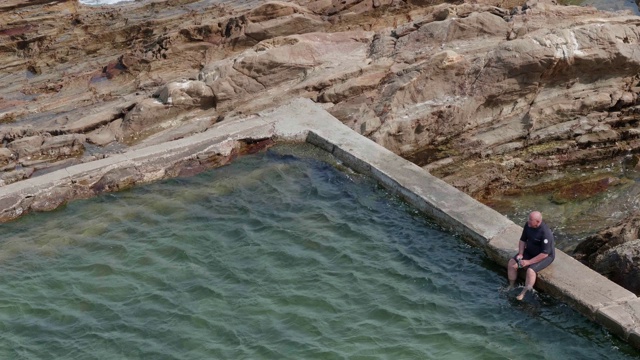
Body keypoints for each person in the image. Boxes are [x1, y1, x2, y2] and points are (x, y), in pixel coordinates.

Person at [507, 211, 555, 300]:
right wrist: (521, 253)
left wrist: (528, 262)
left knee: (530, 271)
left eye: (530, 220)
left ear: (537, 222)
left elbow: (545, 254)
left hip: (545, 256)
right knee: (512, 263)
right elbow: (522, 240)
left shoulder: (545, 233)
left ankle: (524, 292)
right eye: (528, 219)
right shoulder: (528, 225)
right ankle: (511, 285)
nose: (528, 221)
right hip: (529, 251)